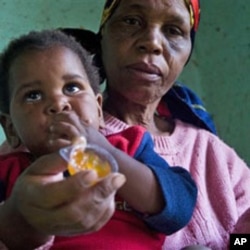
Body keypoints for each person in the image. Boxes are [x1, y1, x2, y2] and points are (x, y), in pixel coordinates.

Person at [60, 0, 250, 249]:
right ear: (102, 36)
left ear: (188, 52)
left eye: (173, 30)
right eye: (131, 21)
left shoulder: (214, 154)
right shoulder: (58, 133)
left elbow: (242, 239)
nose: (152, 42)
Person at [0, 29, 198, 249]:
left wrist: (106, 153)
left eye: (71, 87)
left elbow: (180, 208)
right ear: (10, 128)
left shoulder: (129, 147)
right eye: (33, 95)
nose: (58, 103)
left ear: (98, 109)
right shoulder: (9, 171)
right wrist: (18, 209)